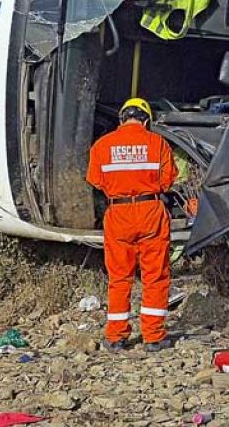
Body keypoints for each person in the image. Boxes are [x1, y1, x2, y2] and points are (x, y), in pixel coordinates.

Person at [86, 98, 178, 353]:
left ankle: (116, 337)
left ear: (122, 119)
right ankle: (153, 337)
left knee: (119, 278)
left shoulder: (102, 146)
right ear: (146, 120)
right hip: (150, 211)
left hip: (118, 213)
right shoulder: (157, 143)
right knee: (155, 276)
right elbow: (168, 180)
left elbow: (96, 180)